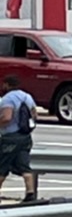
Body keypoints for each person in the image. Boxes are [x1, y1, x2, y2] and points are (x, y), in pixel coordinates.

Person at [0, 74, 38, 204]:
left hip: (10, 138)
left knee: (2, 166)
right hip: (25, 137)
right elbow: (34, 115)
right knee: (24, 165)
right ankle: (30, 193)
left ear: (7, 84)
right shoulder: (27, 96)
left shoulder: (8, 99)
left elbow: (7, 117)